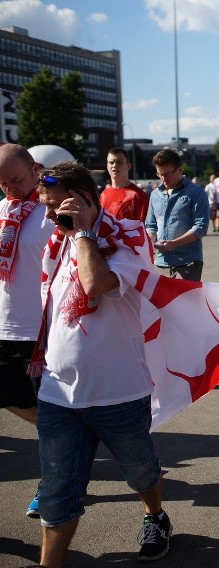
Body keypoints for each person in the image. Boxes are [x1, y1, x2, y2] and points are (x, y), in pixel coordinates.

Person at [33, 161, 173, 566]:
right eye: (44, 207)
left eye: (56, 207)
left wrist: (82, 234)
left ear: (83, 201)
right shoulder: (56, 244)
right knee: (57, 493)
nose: (49, 217)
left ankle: (155, 514)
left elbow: (95, 284)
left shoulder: (128, 239)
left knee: (141, 472)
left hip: (119, 392)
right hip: (59, 393)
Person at [0, 144, 58, 520]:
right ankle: (71, 435)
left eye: (17, 180)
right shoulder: (3, 210)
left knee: (52, 413)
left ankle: (52, 483)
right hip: (5, 325)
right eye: (3, 184)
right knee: (11, 396)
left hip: (43, 330)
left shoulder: (54, 211)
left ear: (35, 169)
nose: (11, 190)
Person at [144, 150, 209, 281]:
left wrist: (173, 243)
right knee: (161, 302)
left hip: (188, 263)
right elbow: (151, 226)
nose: (163, 179)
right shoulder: (155, 194)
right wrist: (150, 242)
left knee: (185, 302)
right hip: (161, 262)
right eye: (159, 174)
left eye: (167, 174)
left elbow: (200, 227)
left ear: (179, 170)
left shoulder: (196, 192)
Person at [99, 147, 148, 221]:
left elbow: (143, 228)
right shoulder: (104, 194)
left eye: (119, 162)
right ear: (107, 166)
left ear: (128, 166)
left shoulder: (138, 195)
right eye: (111, 162)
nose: (114, 165)